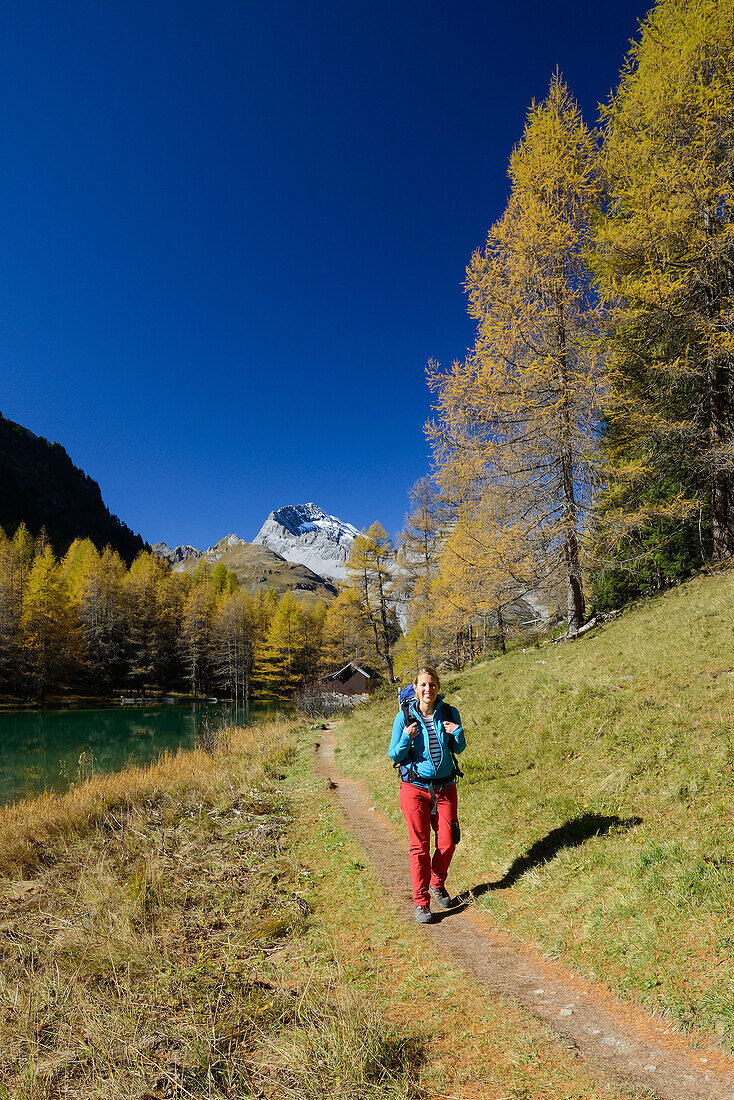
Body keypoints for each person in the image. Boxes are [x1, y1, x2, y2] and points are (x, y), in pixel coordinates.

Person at [388, 666, 466, 923]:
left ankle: (436, 883)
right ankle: (421, 902)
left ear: (438, 687)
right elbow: (394, 755)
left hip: (445, 787)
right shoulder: (404, 717)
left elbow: (459, 748)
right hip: (415, 789)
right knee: (419, 847)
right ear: (415, 688)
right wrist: (407, 739)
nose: (427, 689)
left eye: (432, 685)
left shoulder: (449, 712)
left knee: (448, 841)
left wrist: (458, 733)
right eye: (423, 685)